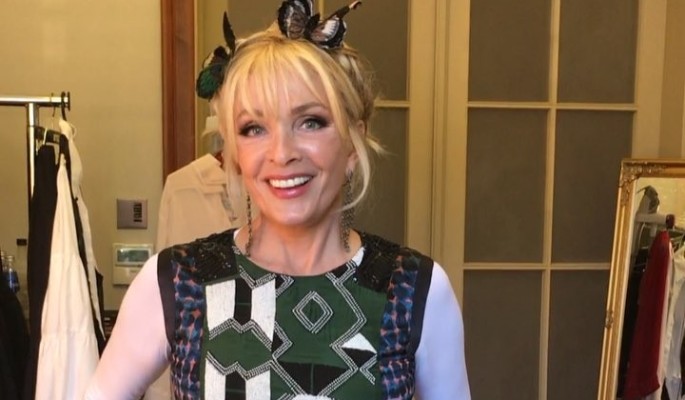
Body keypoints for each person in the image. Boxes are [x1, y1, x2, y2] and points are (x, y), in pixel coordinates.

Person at [85, 1, 470, 398]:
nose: (282, 153)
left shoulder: (413, 289)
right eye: (254, 129)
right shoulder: (177, 281)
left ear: (353, 142)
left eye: (311, 122)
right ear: (234, 151)